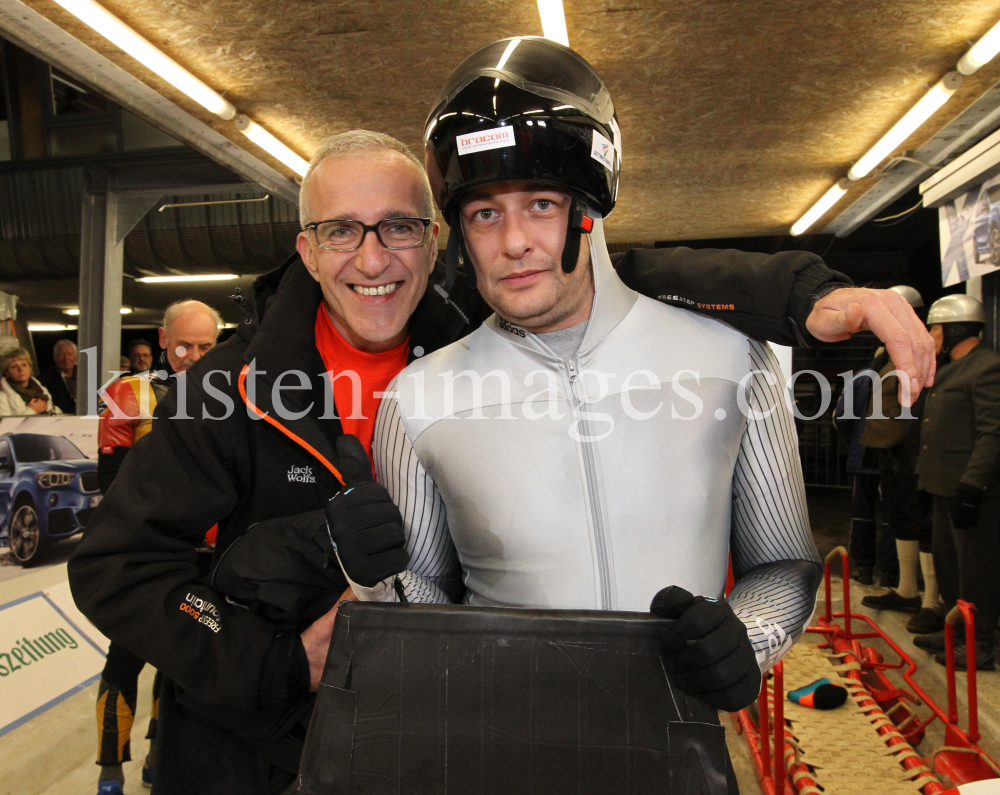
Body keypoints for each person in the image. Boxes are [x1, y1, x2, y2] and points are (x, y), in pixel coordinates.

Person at [69, 126, 935, 794]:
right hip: (239, 754)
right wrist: (280, 657)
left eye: (399, 228)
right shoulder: (230, 389)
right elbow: (116, 567)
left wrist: (800, 292)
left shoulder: (465, 343)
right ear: (306, 248)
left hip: (411, 746)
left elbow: (613, 273)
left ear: (436, 238)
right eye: (342, 231)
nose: (373, 259)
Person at [341, 44, 820, 762]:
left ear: (588, 211)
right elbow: (428, 601)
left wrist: (744, 637)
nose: (513, 243)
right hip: (497, 751)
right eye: (483, 215)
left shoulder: (729, 359)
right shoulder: (418, 397)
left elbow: (785, 562)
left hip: (678, 749)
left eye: (540, 203)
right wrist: (372, 573)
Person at [91, 300, 221, 795]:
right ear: (163, 341)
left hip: (207, 559)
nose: (192, 355)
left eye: (205, 346)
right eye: (183, 345)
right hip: (148, 559)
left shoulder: (232, 389)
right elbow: (111, 480)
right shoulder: (130, 393)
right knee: (124, 660)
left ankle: (158, 754)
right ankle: (109, 769)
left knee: (182, 663)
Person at [912, 294, 1000, 671]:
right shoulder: (949, 368)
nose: (931, 335)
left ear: (956, 328)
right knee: (949, 565)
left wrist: (972, 485)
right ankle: (955, 630)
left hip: (969, 489)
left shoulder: (987, 368)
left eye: (935, 327)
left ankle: (981, 642)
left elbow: (992, 432)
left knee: (976, 570)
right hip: (941, 485)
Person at [860, 286, 940, 635]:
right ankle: (908, 590)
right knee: (900, 517)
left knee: (922, 522)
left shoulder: (923, 349)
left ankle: (930, 600)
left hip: (911, 446)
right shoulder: (887, 351)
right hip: (888, 445)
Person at [0, 348, 60, 415]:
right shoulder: (2, 397)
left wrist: (48, 408)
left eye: (24, 365)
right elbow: (5, 425)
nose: (21, 369)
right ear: (7, 373)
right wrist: (31, 411)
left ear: (30, 368)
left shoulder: (42, 390)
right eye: (14, 367)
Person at [38, 338, 78, 413]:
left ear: (76, 357)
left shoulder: (88, 376)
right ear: (55, 358)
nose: (66, 359)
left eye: (69, 354)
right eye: (61, 355)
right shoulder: (44, 380)